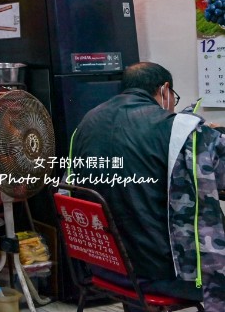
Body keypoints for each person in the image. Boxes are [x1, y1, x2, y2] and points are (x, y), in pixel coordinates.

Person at [69, 62, 225, 311]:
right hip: (162, 277)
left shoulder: (87, 123)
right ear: (164, 90)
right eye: (173, 97)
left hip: (103, 265)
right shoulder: (176, 128)